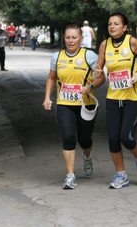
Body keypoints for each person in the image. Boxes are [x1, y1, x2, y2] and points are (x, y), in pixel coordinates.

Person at [94, 12, 137, 189]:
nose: (112, 27)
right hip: (113, 97)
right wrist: (97, 72)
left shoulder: (132, 42)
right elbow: (99, 66)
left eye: (116, 24)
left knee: (126, 137)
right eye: (109, 24)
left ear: (125, 27)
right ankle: (121, 175)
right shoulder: (104, 45)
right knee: (113, 139)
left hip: (133, 97)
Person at [42, 24, 105, 190]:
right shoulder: (57, 56)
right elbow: (51, 78)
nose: (70, 41)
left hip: (86, 104)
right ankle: (70, 176)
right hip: (64, 104)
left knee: (84, 139)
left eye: (74, 37)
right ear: (64, 38)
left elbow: (101, 78)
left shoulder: (89, 56)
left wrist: (90, 86)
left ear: (81, 39)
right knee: (68, 137)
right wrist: (47, 97)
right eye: (68, 37)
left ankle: (87, 155)